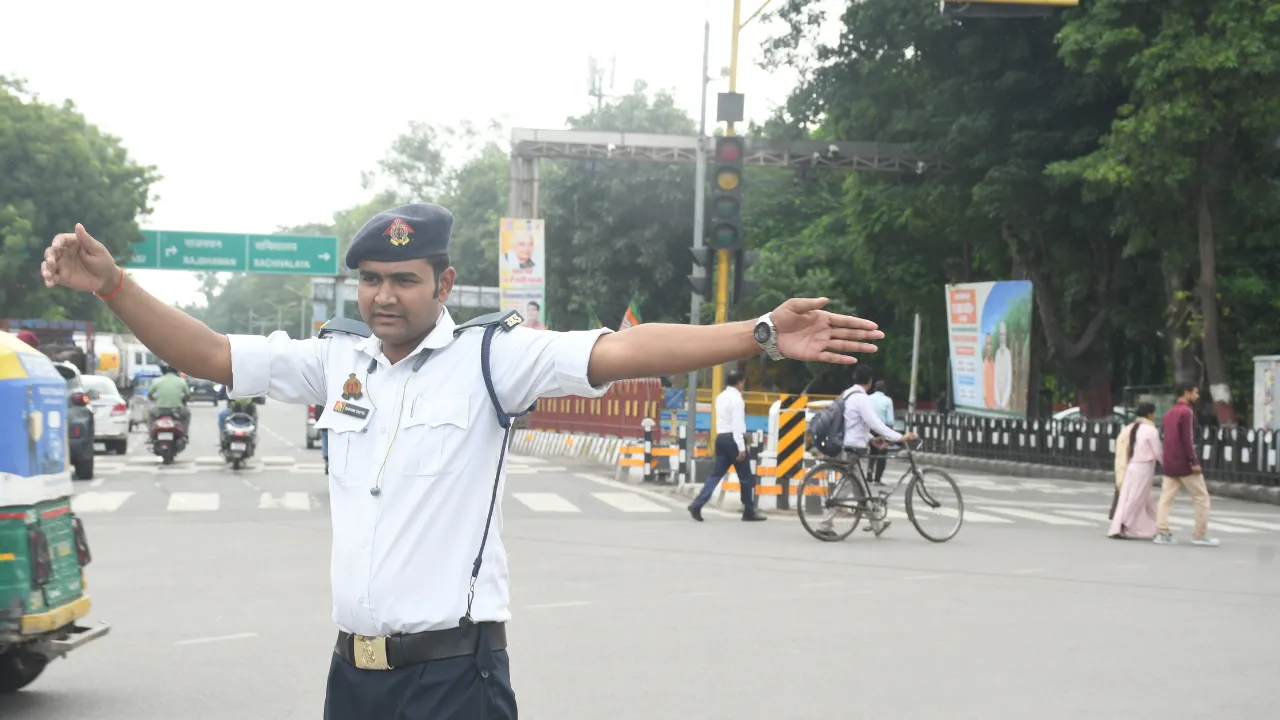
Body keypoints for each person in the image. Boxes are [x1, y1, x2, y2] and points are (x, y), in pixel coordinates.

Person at [41, 204, 884, 720]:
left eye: (403, 279)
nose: (382, 296)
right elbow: (215, 353)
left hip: (453, 683)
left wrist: (759, 333)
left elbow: (624, 349)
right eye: (370, 279)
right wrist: (116, 286)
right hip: (353, 679)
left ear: (444, 285)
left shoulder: (493, 361)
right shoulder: (340, 361)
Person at [815, 365, 918, 539]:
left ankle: (876, 524)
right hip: (853, 447)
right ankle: (825, 525)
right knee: (847, 486)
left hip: (847, 444)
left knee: (860, 489)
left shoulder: (848, 394)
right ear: (869, 381)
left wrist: (871, 439)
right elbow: (875, 423)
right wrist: (899, 437)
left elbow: (854, 423)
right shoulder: (862, 399)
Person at [687, 370, 765, 522]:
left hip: (721, 438)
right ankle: (749, 511)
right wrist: (741, 448)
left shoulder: (720, 397)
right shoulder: (737, 400)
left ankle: (697, 504)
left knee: (716, 475)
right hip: (733, 440)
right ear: (740, 382)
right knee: (746, 477)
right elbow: (737, 425)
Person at [1155, 382, 1219, 546]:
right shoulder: (1187, 412)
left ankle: (1162, 531)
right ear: (1186, 393)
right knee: (1201, 498)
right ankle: (1199, 534)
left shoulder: (1169, 413)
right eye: (1195, 393)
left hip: (1170, 462)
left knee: (1166, 498)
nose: (1197, 396)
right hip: (1184, 463)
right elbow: (1188, 439)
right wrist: (1194, 461)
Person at [1108, 402, 1160, 540]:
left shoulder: (1129, 428)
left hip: (1130, 466)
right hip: (1144, 468)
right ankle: (1123, 524)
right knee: (1135, 499)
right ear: (1150, 414)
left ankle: (1159, 527)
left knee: (1134, 498)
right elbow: (1158, 452)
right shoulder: (1151, 430)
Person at [147, 364, 190, 434]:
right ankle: (185, 434)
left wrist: (155, 399)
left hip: (160, 409)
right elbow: (188, 396)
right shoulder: (181, 381)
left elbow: (149, 395)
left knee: (150, 413)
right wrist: (184, 399)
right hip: (177, 410)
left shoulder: (157, 381)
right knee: (187, 414)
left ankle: (150, 434)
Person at [867, 380, 894, 484]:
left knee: (872, 452)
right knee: (882, 454)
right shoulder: (887, 400)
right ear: (884, 389)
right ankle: (877, 479)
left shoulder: (868, 399)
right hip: (881, 429)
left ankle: (869, 473)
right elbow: (890, 421)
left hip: (870, 429)